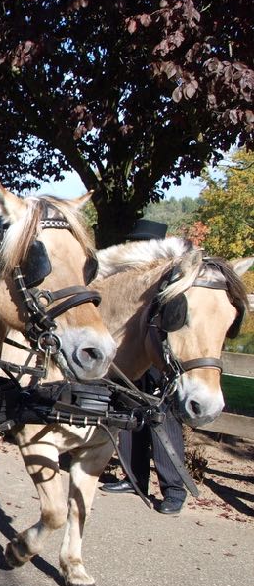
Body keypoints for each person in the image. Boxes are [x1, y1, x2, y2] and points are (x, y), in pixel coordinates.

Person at [100, 218, 188, 514]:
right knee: (128, 415)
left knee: (163, 417)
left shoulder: (174, 278)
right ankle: (134, 477)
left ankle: (174, 489)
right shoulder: (132, 274)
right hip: (130, 352)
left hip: (159, 353)